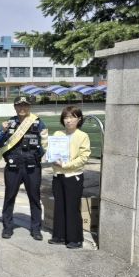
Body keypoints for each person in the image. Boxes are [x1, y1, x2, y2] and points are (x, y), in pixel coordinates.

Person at [0, 95, 48, 240]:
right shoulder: (8, 123)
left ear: (29, 106)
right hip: (13, 166)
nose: (22, 108)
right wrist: (3, 131)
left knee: (34, 198)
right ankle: (7, 227)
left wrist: (35, 156)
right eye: (19, 105)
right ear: (15, 107)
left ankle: (36, 229)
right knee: (9, 197)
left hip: (32, 167)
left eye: (25, 105)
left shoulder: (39, 123)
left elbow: (45, 145)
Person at [49, 106, 91, 249]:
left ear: (79, 119)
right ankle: (59, 236)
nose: (68, 120)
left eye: (72, 117)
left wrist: (66, 165)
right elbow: (51, 151)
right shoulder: (58, 133)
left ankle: (75, 239)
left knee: (72, 207)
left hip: (73, 176)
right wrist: (46, 144)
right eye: (66, 117)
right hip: (58, 175)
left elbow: (83, 157)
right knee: (59, 206)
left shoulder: (82, 136)